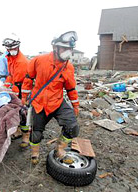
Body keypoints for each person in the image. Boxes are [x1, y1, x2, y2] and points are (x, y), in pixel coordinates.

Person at [21, 31, 80, 165]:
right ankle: (35, 153)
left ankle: (60, 149)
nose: (68, 52)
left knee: (72, 127)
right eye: (65, 48)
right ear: (55, 48)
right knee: (36, 133)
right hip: (39, 103)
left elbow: (71, 88)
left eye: (70, 49)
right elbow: (28, 79)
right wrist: (24, 96)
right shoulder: (38, 60)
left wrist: (75, 105)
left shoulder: (68, 67)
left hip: (57, 101)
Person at [2, 33, 30, 147]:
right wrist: (5, 86)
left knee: (24, 113)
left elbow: (22, 81)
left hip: (23, 89)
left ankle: (26, 136)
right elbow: (11, 75)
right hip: (16, 88)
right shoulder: (10, 58)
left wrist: (22, 97)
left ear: (18, 46)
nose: (11, 50)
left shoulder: (22, 61)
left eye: (13, 48)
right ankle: (17, 131)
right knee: (17, 112)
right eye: (9, 48)